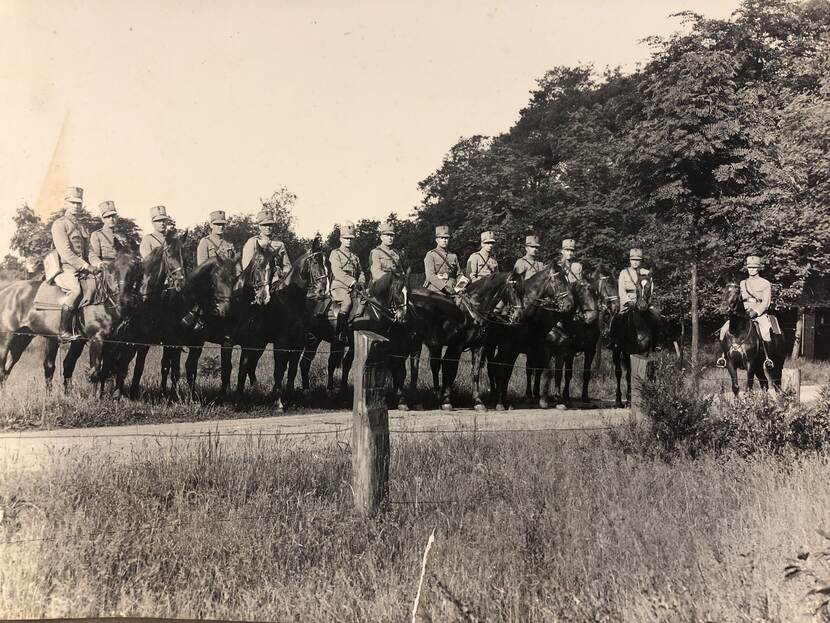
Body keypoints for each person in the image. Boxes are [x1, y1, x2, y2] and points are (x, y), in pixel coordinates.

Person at [50, 186, 96, 341]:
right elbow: (66, 252)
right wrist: (85, 266)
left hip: (82, 270)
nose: (76, 206)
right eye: (73, 202)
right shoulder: (59, 224)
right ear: (65, 203)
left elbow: (89, 251)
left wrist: (98, 264)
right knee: (75, 290)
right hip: (65, 270)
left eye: (79, 203)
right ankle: (63, 331)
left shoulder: (83, 227)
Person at [720, 256, 776, 343]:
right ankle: (725, 356)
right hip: (742, 313)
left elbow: (766, 302)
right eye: (750, 267)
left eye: (754, 267)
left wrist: (756, 312)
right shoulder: (742, 283)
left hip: (759, 315)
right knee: (723, 331)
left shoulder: (765, 283)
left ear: (758, 269)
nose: (752, 269)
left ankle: (767, 356)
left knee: (766, 333)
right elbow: (737, 299)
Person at [329, 221, 366, 341]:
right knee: (347, 302)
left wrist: (361, 282)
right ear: (340, 239)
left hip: (355, 286)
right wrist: (352, 282)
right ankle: (339, 333)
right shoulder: (335, 253)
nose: (349, 240)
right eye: (346, 238)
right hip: (339, 286)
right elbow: (337, 272)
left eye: (351, 238)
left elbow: (361, 271)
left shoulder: (355, 256)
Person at [241, 210, 291, 280]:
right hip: (259, 281)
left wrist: (284, 274)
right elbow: (246, 267)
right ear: (259, 226)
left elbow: (287, 266)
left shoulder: (280, 244)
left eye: (270, 225)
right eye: (264, 225)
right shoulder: (252, 242)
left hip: (277, 281)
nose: (268, 227)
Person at [423, 225, 461, 295]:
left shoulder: (453, 256)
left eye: (446, 238)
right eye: (441, 238)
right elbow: (430, 275)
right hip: (436, 290)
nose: (444, 240)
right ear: (437, 240)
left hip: (452, 289)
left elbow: (459, 274)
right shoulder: (431, 255)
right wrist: (444, 287)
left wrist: (460, 287)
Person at [89, 201, 124, 267]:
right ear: (102, 219)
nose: (111, 219)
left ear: (117, 217)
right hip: (106, 269)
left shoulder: (121, 235)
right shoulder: (97, 235)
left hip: (121, 269)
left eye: (113, 216)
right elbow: (93, 256)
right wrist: (100, 264)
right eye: (107, 217)